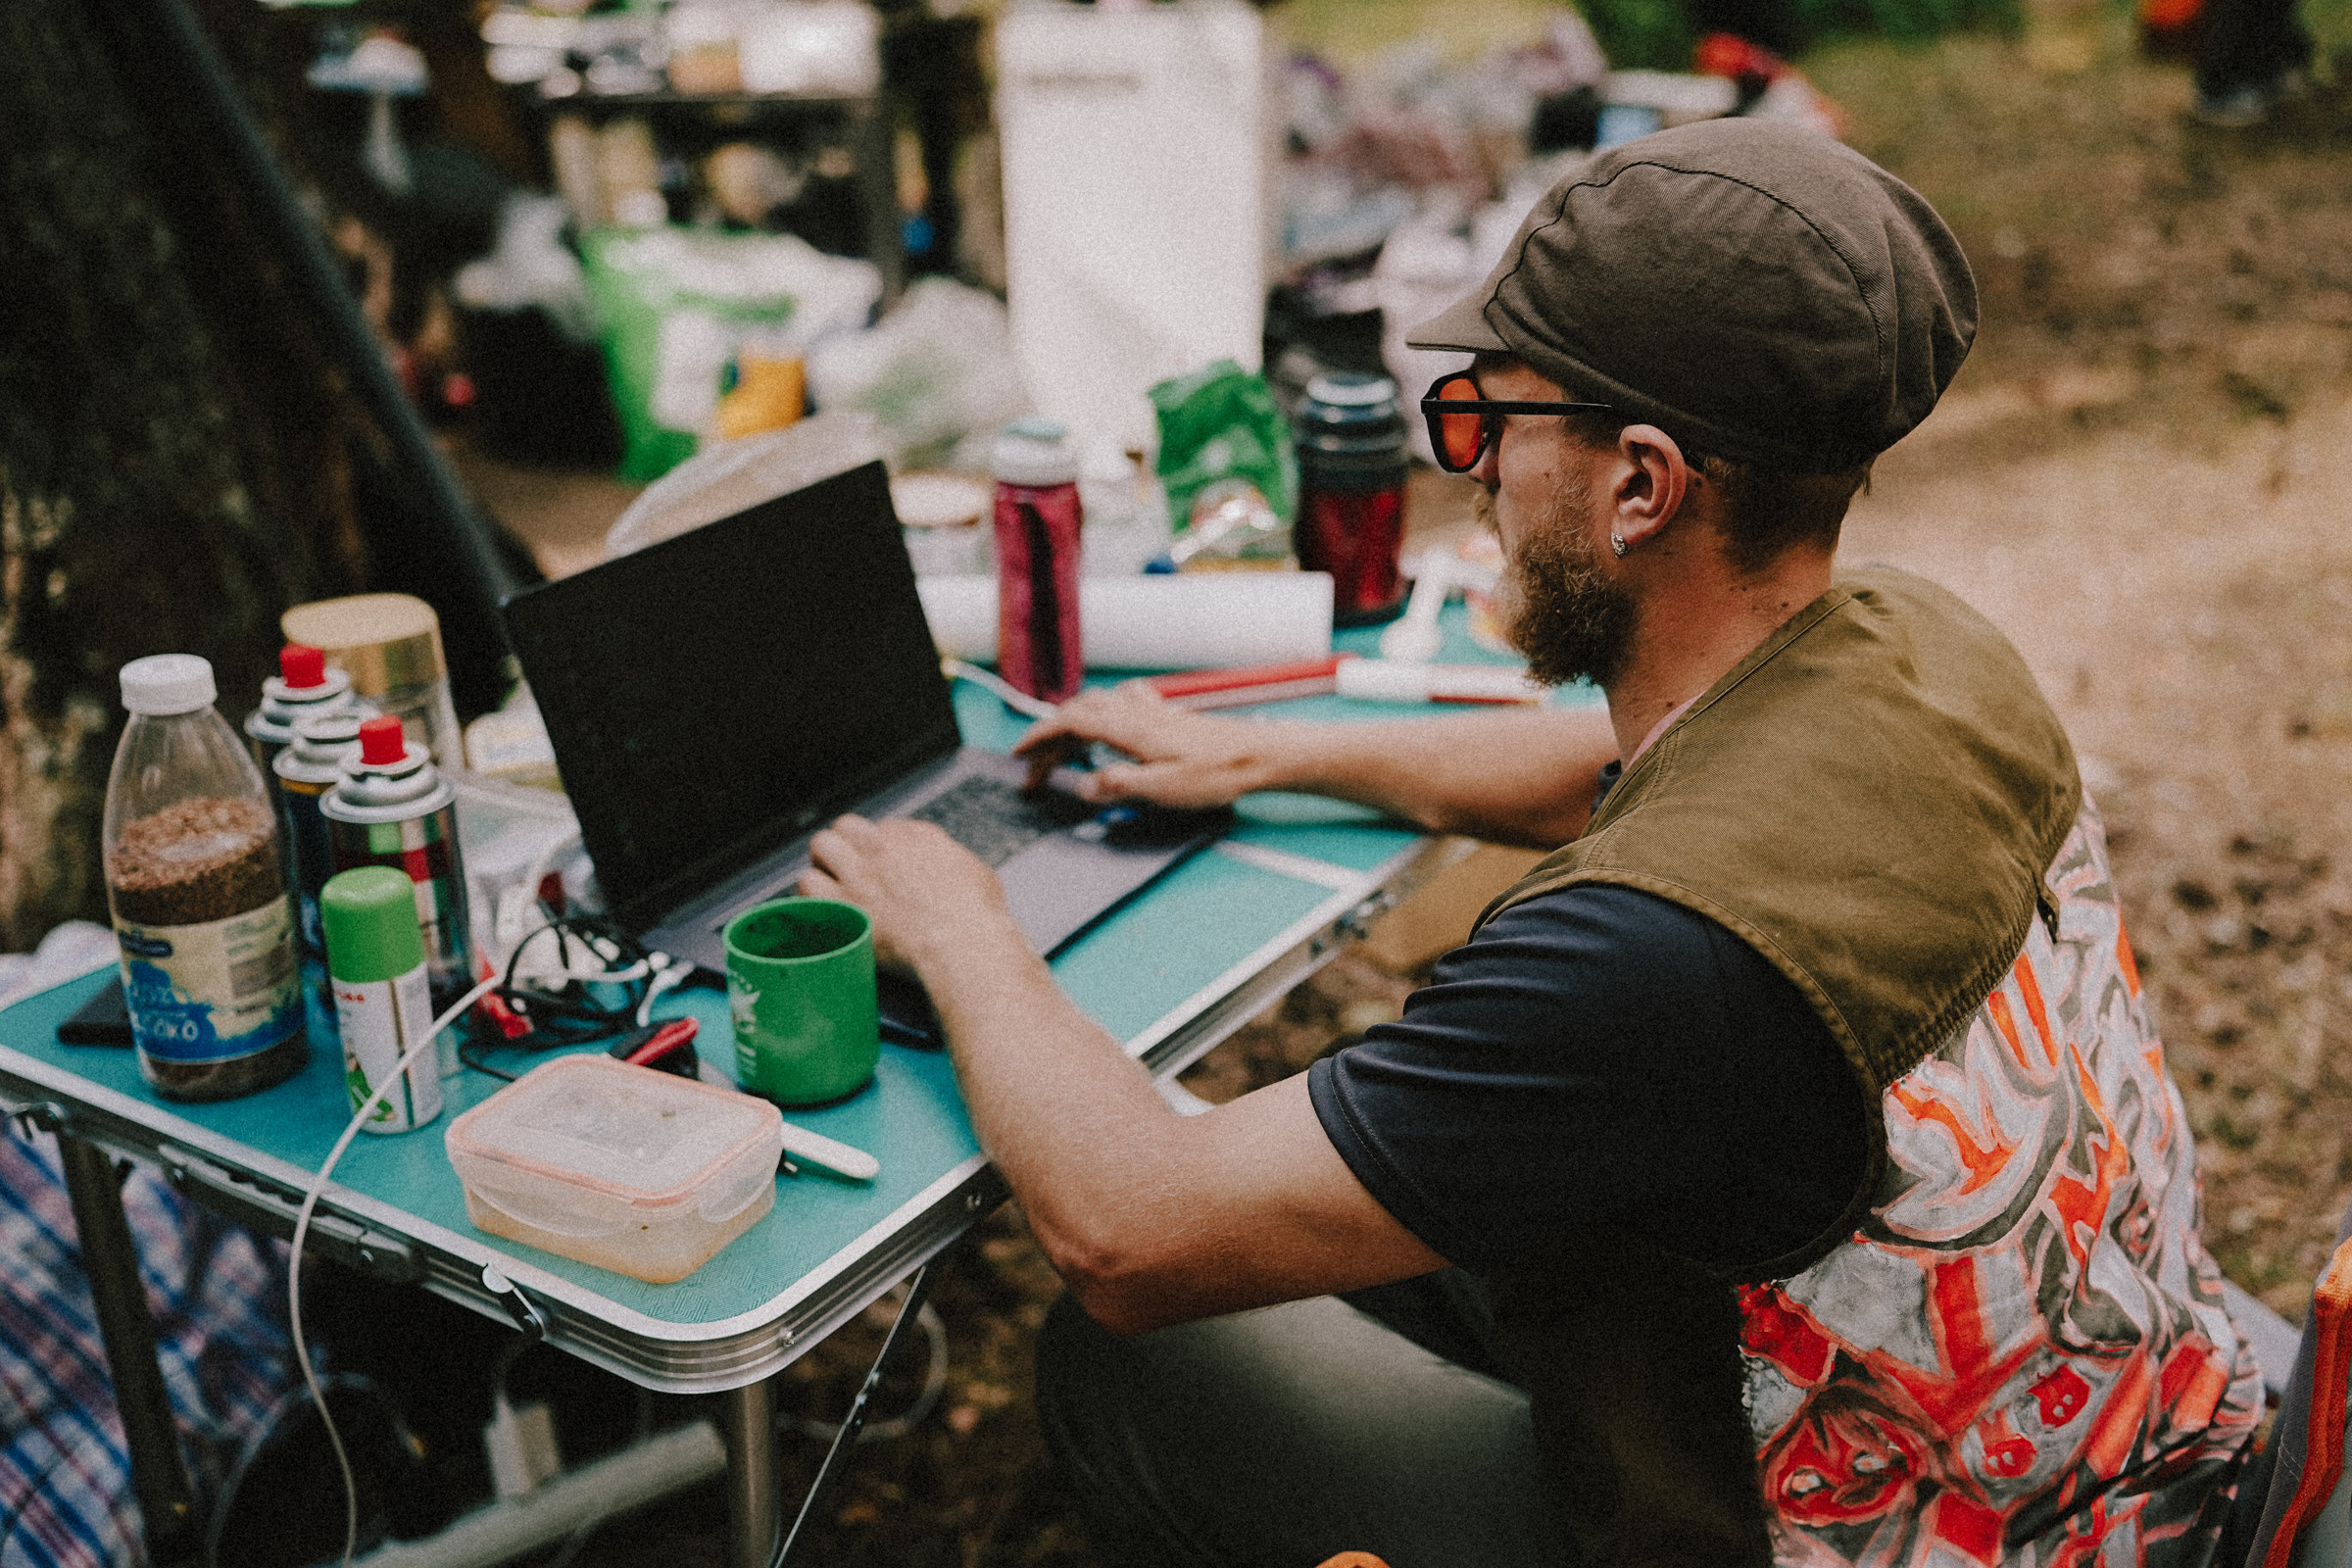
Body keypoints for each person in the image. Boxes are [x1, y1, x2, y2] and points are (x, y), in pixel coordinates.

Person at [801, 121, 2261, 1568]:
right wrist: (1284, 752)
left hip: (1859, 1540)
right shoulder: (1927, 647)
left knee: (1123, 1363)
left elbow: (1123, 1233)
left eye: (1493, 420)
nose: (1476, 475)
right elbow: (1633, 761)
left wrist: (961, 925)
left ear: (1643, 483)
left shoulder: (1638, 962)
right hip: (2132, 1453)